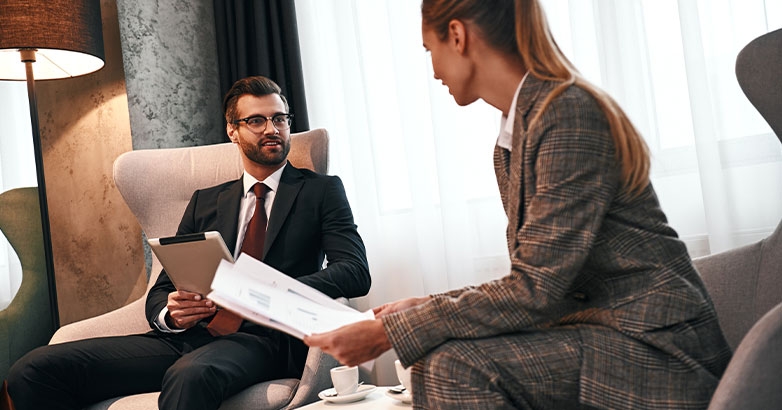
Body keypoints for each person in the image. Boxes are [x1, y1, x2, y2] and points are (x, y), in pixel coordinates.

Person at [303, 1, 732, 409]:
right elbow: (535, 280)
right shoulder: (513, 138)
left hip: (659, 350)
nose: (433, 70)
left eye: (428, 50)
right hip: (604, 334)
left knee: (452, 366)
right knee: (444, 359)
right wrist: (421, 307)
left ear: (457, 35)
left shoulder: (566, 114)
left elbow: (535, 290)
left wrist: (390, 331)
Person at [7, 76, 371, 410]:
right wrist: (171, 313)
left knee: (190, 375)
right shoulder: (206, 201)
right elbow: (164, 285)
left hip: (265, 340)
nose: (272, 129)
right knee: (34, 369)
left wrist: (266, 288)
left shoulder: (320, 191)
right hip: (185, 338)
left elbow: (354, 272)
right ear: (232, 130)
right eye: (256, 121)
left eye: (280, 118)